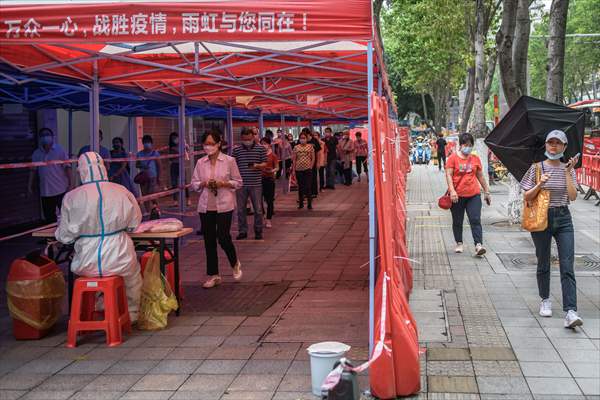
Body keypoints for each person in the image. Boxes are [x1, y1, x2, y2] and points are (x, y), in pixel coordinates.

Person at [56, 152, 142, 322]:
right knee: (133, 278)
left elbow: (65, 237)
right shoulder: (121, 191)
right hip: (120, 257)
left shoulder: (71, 197)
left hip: (86, 262)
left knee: (91, 279)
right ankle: (131, 314)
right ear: (104, 168)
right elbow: (134, 223)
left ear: (80, 171)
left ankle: (96, 307)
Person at [520, 130, 582, 328]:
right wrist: (540, 183)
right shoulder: (537, 168)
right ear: (545, 145)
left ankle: (571, 311)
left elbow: (572, 197)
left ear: (564, 147)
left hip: (564, 218)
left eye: (558, 143)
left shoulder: (569, 169)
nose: (553, 146)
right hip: (541, 218)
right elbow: (527, 196)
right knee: (543, 261)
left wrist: (567, 172)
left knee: (567, 263)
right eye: (550, 142)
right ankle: (545, 299)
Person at [191, 130, 243, 288]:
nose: (208, 147)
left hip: (224, 204)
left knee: (223, 236)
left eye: (211, 144)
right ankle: (213, 274)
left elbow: (238, 182)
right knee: (209, 240)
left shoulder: (229, 161)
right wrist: (202, 184)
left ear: (219, 144)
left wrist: (224, 183)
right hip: (206, 206)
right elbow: (194, 183)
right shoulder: (200, 162)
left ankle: (235, 263)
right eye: (206, 144)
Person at [445, 132, 491, 256]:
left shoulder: (475, 159)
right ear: (461, 145)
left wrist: (486, 191)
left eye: (470, 145)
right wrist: (452, 191)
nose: (468, 147)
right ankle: (459, 243)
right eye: (466, 144)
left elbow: (480, 176)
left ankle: (478, 245)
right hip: (457, 196)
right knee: (457, 221)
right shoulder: (453, 158)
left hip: (473, 195)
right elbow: (448, 175)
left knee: (475, 219)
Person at [28, 128, 71, 224]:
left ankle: (67, 237)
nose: (45, 137)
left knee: (66, 215)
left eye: (47, 134)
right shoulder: (36, 153)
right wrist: (29, 186)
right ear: (39, 138)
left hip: (61, 189)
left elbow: (67, 167)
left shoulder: (59, 150)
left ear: (52, 137)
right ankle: (51, 238)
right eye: (42, 135)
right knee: (49, 218)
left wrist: (70, 183)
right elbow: (33, 170)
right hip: (45, 192)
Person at [232, 128, 268, 240]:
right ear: (241, 138)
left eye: (249, 139)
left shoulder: (261, 149)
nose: (247, 141)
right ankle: (242, 231)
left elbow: (265, 163)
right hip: (241, 184)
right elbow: (233, 166)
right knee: (241, 209)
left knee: (257, 209)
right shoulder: (236, 150)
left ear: (253, 137)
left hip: (256, 183)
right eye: (244, 139)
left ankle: (258, 230)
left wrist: (257, 166)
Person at [136, 135, 161, 216]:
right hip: (144, 178)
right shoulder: (139, 154)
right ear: (143, 143)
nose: (147, 144)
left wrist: (159, 177)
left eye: (148, 142)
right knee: (145, 195)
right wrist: (142, 166)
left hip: (153, 177)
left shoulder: (155, 153)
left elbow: (159, 166)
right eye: (145, 142)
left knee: (153, 194)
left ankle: (157, 209)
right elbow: (137, 165)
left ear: (151, 143)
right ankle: (147, 212)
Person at [293, 131, 315, 209]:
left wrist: (311, 167)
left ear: (306, 139)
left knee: (308, 187)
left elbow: (313, 158)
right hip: (298, 169)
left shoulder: (310, 147)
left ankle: (309, 204)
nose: (302, 140)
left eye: (304, 138)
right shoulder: (296, 147)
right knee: (300, 187)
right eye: (301, 138)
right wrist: (293, 170)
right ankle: (301, 203)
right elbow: (294, 159)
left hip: (307, 169)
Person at [260, 137, 279, 228]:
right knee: (259, 200)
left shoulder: (273, 155)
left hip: (270, 180)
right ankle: (263, 214)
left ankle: (268, 219)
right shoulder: (258, 155)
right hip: (260, 179)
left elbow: (277, 167)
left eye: (265, 143)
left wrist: (272, 171)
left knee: (269, 200)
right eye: (262, 143)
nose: (263, 145)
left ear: (269, 144)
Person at [168, 132, 190, 207]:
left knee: (185, 182)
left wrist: (184, 144)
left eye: (176, 138)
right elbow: (170, 158)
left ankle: (188, 199)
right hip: (174, 165)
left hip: (181, 165)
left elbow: (187, 152)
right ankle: (175, 201)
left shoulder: (183, 144)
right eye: (173, 138)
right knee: (174, 183)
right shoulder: (171, 147)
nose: (174, 140)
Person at [304, 128, 322, 197]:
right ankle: (306, 192)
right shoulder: (303, 141)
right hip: (304, 162)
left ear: (309, 134)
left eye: (306, 136)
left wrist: (318, 162)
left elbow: (319, 152)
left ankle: (314, 192)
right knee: (305, 178)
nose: (304, 138)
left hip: (313, 162)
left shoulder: (314, 140)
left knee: (313, 177)